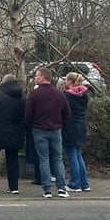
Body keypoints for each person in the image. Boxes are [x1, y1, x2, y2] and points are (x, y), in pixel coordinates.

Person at [25, 67, 72, 199]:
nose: (35, 78)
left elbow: (28, 114)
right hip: (56, 129)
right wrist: (60, 124)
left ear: (43, 78)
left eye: (37, 76)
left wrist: (30, 126)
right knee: (57, 159)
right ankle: (61, 188)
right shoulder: (59, 93)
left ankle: (47, 189)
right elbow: (67, 113)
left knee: (43, 159)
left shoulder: (35, 94)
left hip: (39, 130)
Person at [62, 72, 91, 193]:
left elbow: (63, 111)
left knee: (72, 155)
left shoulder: (67, 96)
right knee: (78, 155)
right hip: (81, 126)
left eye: (66, 80)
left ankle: (75, 183)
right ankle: (84, 183)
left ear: (70, 82)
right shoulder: (84, 95)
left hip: (70, 127)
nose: (64, 82)